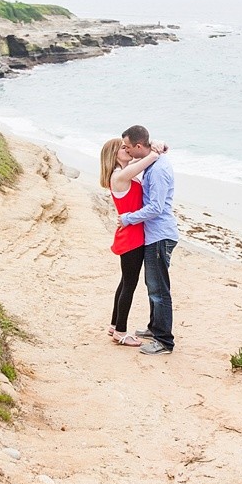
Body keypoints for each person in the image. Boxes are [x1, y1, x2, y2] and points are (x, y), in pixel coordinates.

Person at [117, 124, 179, 356]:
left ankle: (164, 342)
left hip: (161, 235)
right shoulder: (152, 161)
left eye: (128, 147)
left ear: (139, 146)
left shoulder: (159, 169)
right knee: (152, 286)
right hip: (153, 235)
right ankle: (155, 329)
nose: (127, 150)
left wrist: (128, 218)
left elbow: (156, 207)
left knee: (159, 289)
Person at [99, 137, 160, 346]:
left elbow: (141, 159)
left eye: (127, 147)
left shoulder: (123, 172)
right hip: (132, 236)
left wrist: (156, 145)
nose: (127, 150)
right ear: (114, 154)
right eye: (122, 148)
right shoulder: (120, 176)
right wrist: (156, 151)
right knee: (129, 285)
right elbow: (149, 158)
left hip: (131, 233)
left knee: (125, 282)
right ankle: (121, 332)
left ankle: (115, 325)